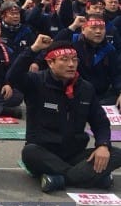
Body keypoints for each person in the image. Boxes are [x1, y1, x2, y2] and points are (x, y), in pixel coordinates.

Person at [6, 35, 121, 192]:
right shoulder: (36, 82)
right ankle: (92, 178)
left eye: (74, 60)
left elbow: (100, 121)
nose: (71, 64)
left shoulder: (86, 88)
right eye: (65, 60)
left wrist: (103, 145)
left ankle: (60, 179)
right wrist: (33, 49)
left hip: (75, 154)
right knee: (30, 152)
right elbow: (12, 76)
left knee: (114, 153)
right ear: (50, 63)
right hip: (44, 152)